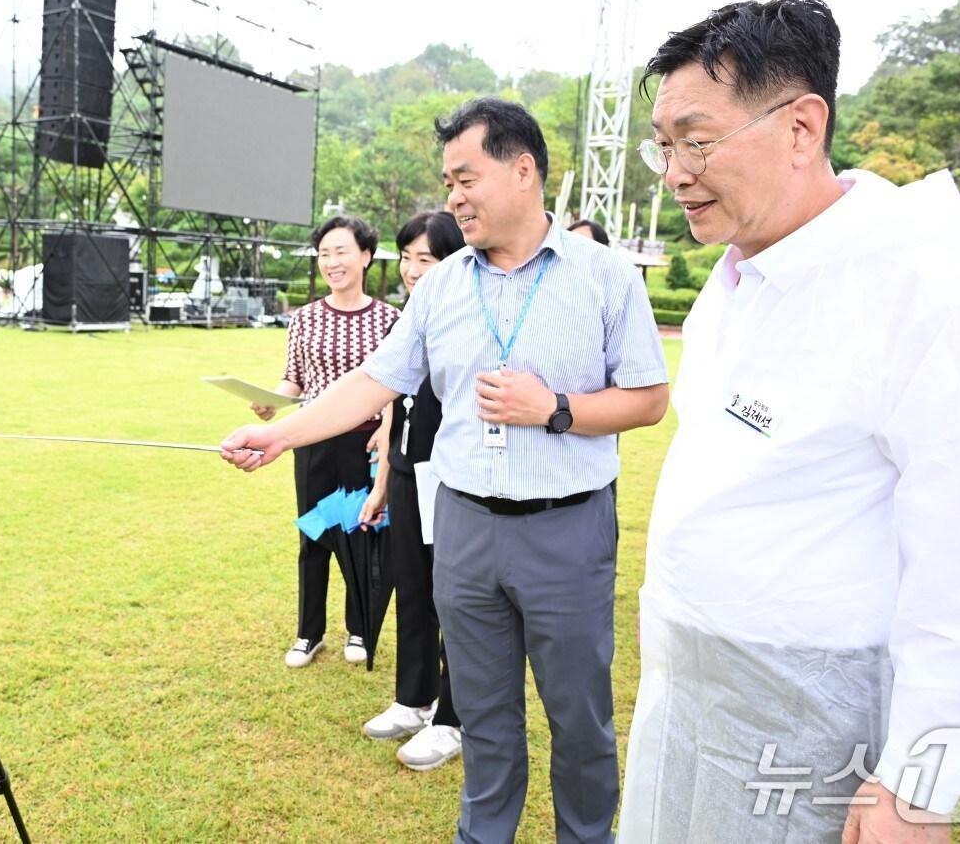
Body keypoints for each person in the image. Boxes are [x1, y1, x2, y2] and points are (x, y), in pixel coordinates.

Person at [618, 0, 960, 844]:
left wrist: (920, 783)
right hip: (689, 686)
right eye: (664, 146)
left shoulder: (924, 291)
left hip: (813, 712)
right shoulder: (735, 283)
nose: (676, 172)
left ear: (802, 126)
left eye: (696, 140)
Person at [225, 97, 669, 843]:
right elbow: (373, 382)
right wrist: (282, 436)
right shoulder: (440, 287)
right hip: (463, 525)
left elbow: (650, 398)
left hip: (567, 527)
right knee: (486, 715)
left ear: (523, 170)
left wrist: (554, 408)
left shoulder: (603, 276)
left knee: (580, 720)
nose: (453, 197)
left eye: (467, 178)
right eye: (447, 180)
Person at [251, 215, 399, 668]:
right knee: (313, 535)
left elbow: (397, 384)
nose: (331, 262)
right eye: (324, 254)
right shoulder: (305, 319)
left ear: (366, 257)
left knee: (359, 535)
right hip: (312, 442)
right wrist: (273, 404)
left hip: (365, 445)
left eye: (341, 252)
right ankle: (308, 633)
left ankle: (359, 629)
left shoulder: (390, 320)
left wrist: (385, 429)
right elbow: (294, 378)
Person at [357, 211, 465, 772]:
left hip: (452, 479)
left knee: (455, 599)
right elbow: (391, 410)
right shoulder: (407, 321)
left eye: (426, 258)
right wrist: (382, 484)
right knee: (414, 590)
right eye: (407, 258)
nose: (412, 270)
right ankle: (414, 697)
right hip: (405, 472)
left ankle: (452, 717)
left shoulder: (468, 319)